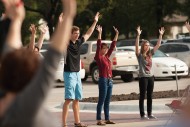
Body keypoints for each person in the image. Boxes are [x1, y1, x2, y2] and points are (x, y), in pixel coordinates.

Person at [0, 0, 76, 127]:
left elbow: (11, 55)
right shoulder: (26, 106)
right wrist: (69, 13)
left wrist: (16, 20)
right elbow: (52, 57)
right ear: (31, 76)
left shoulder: (5, 95)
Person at [62, 12, 100, 127]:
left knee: (77, 99)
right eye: (74, 33)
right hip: (69, 74)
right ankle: (63, 124)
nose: (77, 35)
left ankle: (77, 122)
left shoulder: (78, 43)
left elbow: (88, 33)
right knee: (69, 99)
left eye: (78, 33)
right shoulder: (66, 44)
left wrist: (95, 21)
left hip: (77, 73)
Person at [135, 26, 165, 120]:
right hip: (143, 77)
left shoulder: (150, 53)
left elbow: (158, 45)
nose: (147, 47)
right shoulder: (139, 55)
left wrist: (160, 35)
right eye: (145, 45)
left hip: (151, 77)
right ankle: (142, 114)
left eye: (148, 45)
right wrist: (138, 35)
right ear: (143, 46)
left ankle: (150, 113)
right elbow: (136, 46)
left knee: (150, 96)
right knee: (142, 96)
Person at [94, 25, 119, 126]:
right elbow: (98, 44)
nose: (105, 50)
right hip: (103, 80)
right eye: (103, 48)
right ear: (100, 49)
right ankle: (99, 120)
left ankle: (107, 119)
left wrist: (117, 34)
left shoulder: (107, 57)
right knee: (101, 100)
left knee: (107, 101)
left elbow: (113, 46)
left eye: (106, 48)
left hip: (109, 80)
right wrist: (100, 33)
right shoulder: (98, 57)